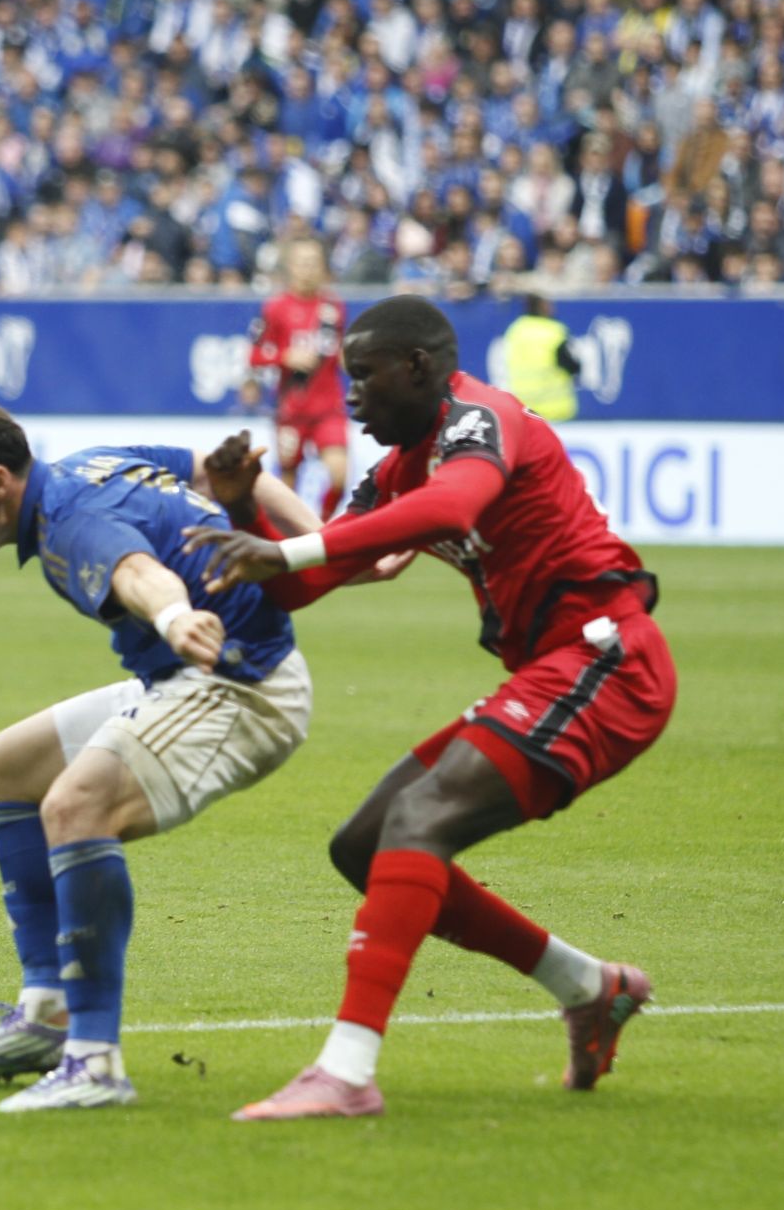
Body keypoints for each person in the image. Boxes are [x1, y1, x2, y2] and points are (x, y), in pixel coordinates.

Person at [187, 295, 675, 1120]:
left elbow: (454, 508)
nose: (351, 400)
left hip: (607, 661)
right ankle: (588, 986)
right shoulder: (397, 469)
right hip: (552, 672)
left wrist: (287, 542)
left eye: (365, 379)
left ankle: (345, 1074)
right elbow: (309, 585)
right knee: (364, 846)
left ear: (417, 368)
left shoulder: (479, 420)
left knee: (418, 821)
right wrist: (245, 508)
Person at [0, 399, 322, 1112]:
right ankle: (46, 1015)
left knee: (76, 807)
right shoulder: (87, 465)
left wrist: (170, 614)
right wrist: (319, 537)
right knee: (10, 765)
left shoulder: (70, 521)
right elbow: (222, 470)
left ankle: (94, 1060)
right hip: (180, 674)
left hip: (238, 685)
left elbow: (133, 570)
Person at [249, 237, 352, 518]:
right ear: (291, 267)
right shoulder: (276, 307)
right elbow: (254, 356)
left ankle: (321, 528)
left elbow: (338, 350)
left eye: (314, 263)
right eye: (302, 263)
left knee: (339, 476)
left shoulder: (333, 307)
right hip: (291, 411)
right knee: (288, 485)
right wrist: (284, 356)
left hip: (329, 409)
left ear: (323, 268)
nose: (308, 269)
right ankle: (289, 543)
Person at [500, 292, 580, 421]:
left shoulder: (516, 329)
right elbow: (571, 365)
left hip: (523, 405)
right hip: (554, 405)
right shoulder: (554, 331)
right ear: (542, 307)